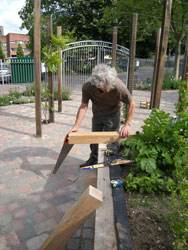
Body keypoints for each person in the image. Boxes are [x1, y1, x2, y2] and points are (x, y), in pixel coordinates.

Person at [69, 64, 135, 167]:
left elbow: (132, 104)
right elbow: (83, 106)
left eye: (110, 86)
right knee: (94, 140)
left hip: (113, 114)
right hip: (98, 114)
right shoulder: (88, 86)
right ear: (97, 84)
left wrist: (127, 124)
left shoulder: (118, 85)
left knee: (111, 141)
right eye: (105, 87)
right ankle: (94, 160)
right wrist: (76, 126)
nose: (108, 90)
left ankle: (112, 163)